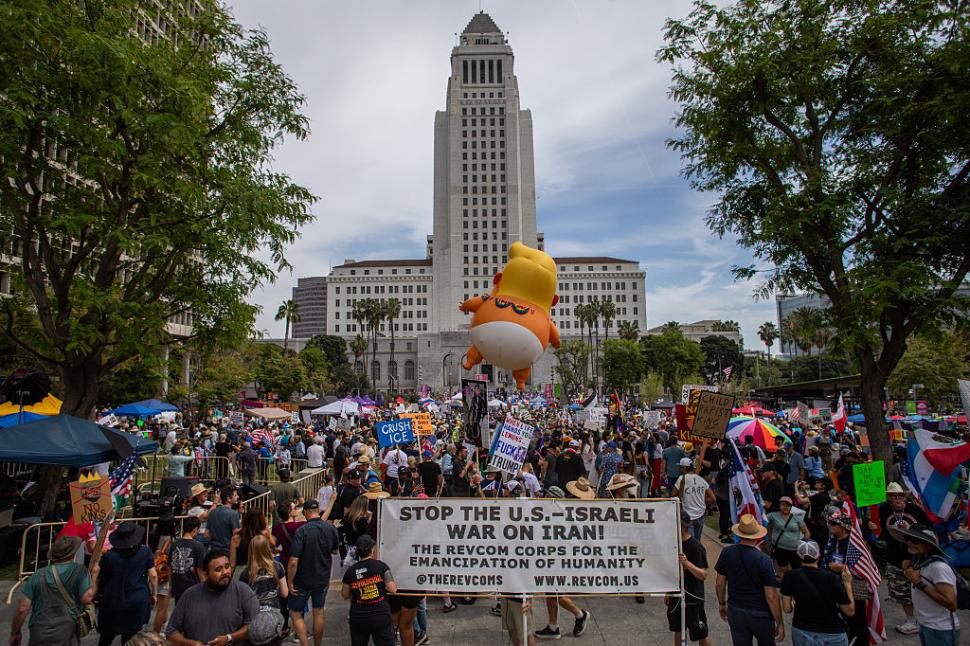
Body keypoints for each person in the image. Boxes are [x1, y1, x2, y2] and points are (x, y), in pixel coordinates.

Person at [10, 535, 97, 646]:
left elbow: (22, 608)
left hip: (39, 630)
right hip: (67, 630)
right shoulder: (80, 571)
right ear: (73, 553)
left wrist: (15, 633)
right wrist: (95, 576)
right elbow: (87, 598)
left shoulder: (38, 575)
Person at [714, 513, 784, 646]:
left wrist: (722, 603)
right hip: (760, 613)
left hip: (736, 610)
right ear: (757, 537)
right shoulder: (764, 560)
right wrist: (779, 622)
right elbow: (771, 596)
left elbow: (719, 583)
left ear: (739, 534)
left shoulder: (727, 553)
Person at [165, 551, 260, 646]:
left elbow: (254, 626)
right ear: (206, 574)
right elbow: (171, 632)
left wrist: (229, 638)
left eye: (227, 567)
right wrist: (189, 643)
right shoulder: (189, 595)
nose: (225, 572)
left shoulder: (243, 591)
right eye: (218, 569)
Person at [888, 523, 961, 646]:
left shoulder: (938, 567)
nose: (910, 543)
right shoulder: (921, 563)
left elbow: (951, 603)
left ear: (927, 544)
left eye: (915, 540)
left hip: (940, 629)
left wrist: (918, 583)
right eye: (908, 539)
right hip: (927, 625)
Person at [873, 481, 929, 635]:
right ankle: (911, 620)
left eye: (899, 495)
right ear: (889, 498)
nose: (897, 499)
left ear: (904, 496)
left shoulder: (916, 511)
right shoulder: (884, 509)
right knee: (900, 590)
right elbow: (884, 528)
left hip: (916, 558)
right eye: (893, 496)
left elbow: (929, 532)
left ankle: (927, 619)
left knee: (922, 588)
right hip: (894, 557)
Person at [781, 540, 854, 646]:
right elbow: (849, 611)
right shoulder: (832, 578)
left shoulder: (790, 576)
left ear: (798, 556)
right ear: (818, 556)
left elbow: (787, 608)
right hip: (832, 632)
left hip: (802, 631)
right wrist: (847, 584)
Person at [288, 498, 340, 646]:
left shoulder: (302, 531)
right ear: (318, 511)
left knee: (295, 613)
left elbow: (293, 561)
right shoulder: (331, 529)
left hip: (302, 579)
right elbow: (335, 550)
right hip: (322, 577)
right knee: (319, 612)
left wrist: (290, 582)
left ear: (305, 513)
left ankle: (305, 644)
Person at [96, 521, 157, 646]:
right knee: (130, 638)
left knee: (106, 636)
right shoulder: (145, 552)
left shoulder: (109, 556)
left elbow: (101, 577)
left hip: (113, 599)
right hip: (137, 598)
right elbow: (153, 575)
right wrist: (154, 594)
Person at [820, 507, 869, 646]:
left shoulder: (855, 544)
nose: (830, 526)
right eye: (830, 523)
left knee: (857, 620)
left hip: (852, 586)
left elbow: (861, 567)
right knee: (841, 617)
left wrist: (841, 567)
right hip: (834, 584)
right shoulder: (833, 539)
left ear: (843, 527)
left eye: (834, 524)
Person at [342, 535, 396, 646]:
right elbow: (392, 589)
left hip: (359, 617)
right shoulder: (381, 566)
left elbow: (344, 594)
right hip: (380, 615)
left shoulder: (351, 571)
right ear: (372, 550)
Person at [666, 510, 710, 646]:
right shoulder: (673, 544)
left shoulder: (696, 547)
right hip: (676, 594)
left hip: (693, 596)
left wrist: (687, 564)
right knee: (678, 629)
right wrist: (668, 591)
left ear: (683, 526)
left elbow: (703, 575)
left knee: (700, 631)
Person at [240, 534, 288, 645]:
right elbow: (285, 593)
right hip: (274, 614)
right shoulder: (277, 566)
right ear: (267, 548)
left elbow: (243, 600)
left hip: (254, 617)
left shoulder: (246, 573)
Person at [765, 496, 811, 579]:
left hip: (795, 549)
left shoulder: (797, 517)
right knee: (783, 569)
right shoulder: (773, 515)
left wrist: (802, 545)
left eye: (788, 505)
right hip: (780, 548)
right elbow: (762, 520)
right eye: (783, 505)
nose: (785, 507)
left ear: (791, 507)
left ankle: (796, 587)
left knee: (797, 570)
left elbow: (807, 532)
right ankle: (786, 586)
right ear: (779, 506)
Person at [165, 516, 206, 608]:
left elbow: (170, 567)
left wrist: (171, 585)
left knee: (180, 611)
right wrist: (204, 586)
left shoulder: (174, 544)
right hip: (192, 586)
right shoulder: (198, 546)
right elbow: (199, 569)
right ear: (195, 529)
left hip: (177, 585)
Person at [672, 457, 715, 540]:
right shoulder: (701, 480)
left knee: (689, 541)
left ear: (684, 468)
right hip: (700, 515)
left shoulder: (681, 479)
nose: (680, 469)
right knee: (697, 540)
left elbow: (673, 494)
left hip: (688, 516)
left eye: (681, 467)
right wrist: (701, 499)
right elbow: (713, 498)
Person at [207, 486, 240, 554]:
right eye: (235, 495)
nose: (238, 497)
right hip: (227, 551)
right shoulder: (234, 514)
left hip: (213, 551)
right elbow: (236, 534)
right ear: (228, 498)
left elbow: (206, 534)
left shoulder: (212, 512)